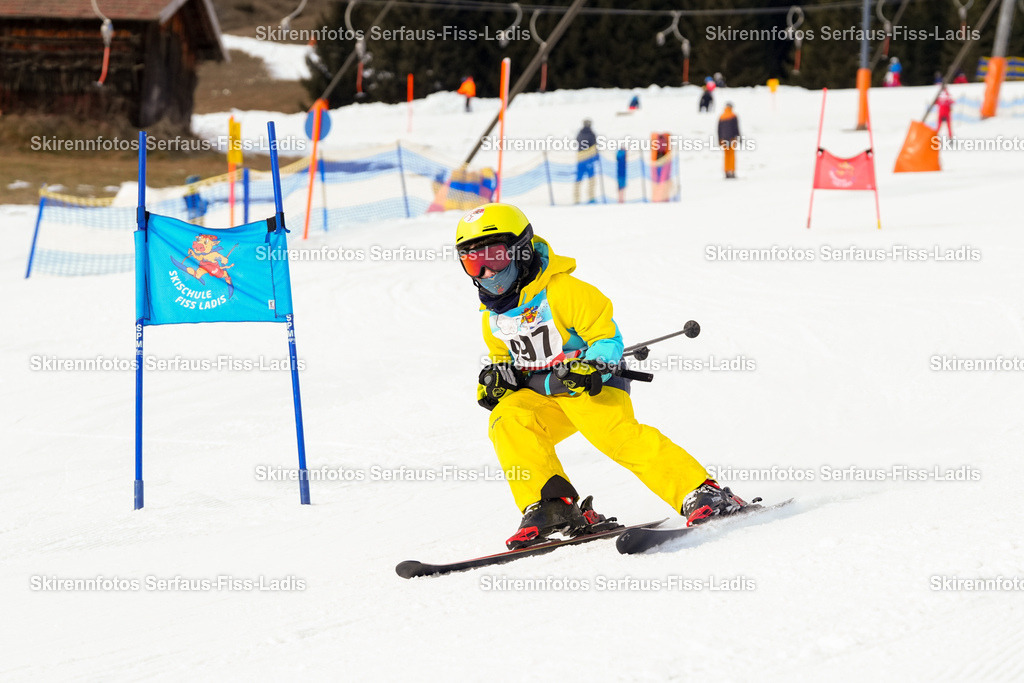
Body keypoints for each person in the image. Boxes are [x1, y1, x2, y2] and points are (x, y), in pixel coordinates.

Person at [454, 203, 752, 549]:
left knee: (614, 435)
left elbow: (607, 339)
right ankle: (553, 505)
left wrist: (593, 364)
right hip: (545, 395)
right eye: (473, 262)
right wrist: (496, 380)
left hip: (590, 386)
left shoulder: (565, 291)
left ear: (521, 250)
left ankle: (700, 491)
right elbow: (504, 359)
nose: (487, 272)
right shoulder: (493, 316)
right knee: (508, 419)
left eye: (495, 257)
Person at [574, 118, 598, 204]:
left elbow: (578, 142)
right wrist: (596, 156)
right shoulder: (591, 134)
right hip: (589, 159)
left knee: (578, 180)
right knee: (591, 180)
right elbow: (594, 146)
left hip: (580, 158)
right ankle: (591, 198)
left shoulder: (579, 134)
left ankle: (576, 199)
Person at [717, 102, 740, 179]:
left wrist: (719, 139)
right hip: (732, 139)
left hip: (723, 139)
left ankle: (726, 171)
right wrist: (738, 137)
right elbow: (736, 128)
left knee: (726, 156)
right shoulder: (733, 116)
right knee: (732, 155)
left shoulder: (721, 116)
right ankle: (732, 171)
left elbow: (719, 129)